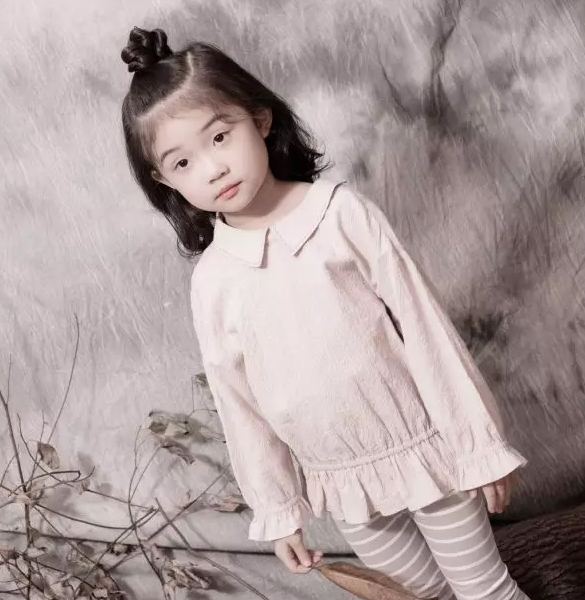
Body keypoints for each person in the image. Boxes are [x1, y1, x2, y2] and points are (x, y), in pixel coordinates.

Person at [119, 25, 532, 600]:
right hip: (344, 485)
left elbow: (426, 328)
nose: (213, 169)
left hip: (425, 452)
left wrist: (477, 445)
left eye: (220, 137)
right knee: (421, 597)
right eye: (184, 161)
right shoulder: (213, 280)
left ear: (260, 119)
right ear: (164, 180)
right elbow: (237, 402)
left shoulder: (340, 215)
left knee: (485, 592)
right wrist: (278, 508)